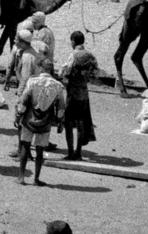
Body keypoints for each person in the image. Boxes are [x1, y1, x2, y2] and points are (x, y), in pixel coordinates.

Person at [15, 59, 66, 186]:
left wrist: (18, 115)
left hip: (29, 120)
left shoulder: (32, 81)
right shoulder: (58, 86)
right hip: (45, 122)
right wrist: (60, 123)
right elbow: (61, 108)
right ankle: (36, 179)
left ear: (41, 68)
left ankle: (21, 177)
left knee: (25, 147)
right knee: (39, 151)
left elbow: (24, 101)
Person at [60, 31, 98, 161]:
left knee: (69, 123)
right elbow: (95, 74)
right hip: (84, 93)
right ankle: (78, 151)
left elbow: (66, 73)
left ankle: (71, 152)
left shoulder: (73, 55)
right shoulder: (90, 55)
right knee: (82, 122)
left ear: (73, 41)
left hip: (73, 93)